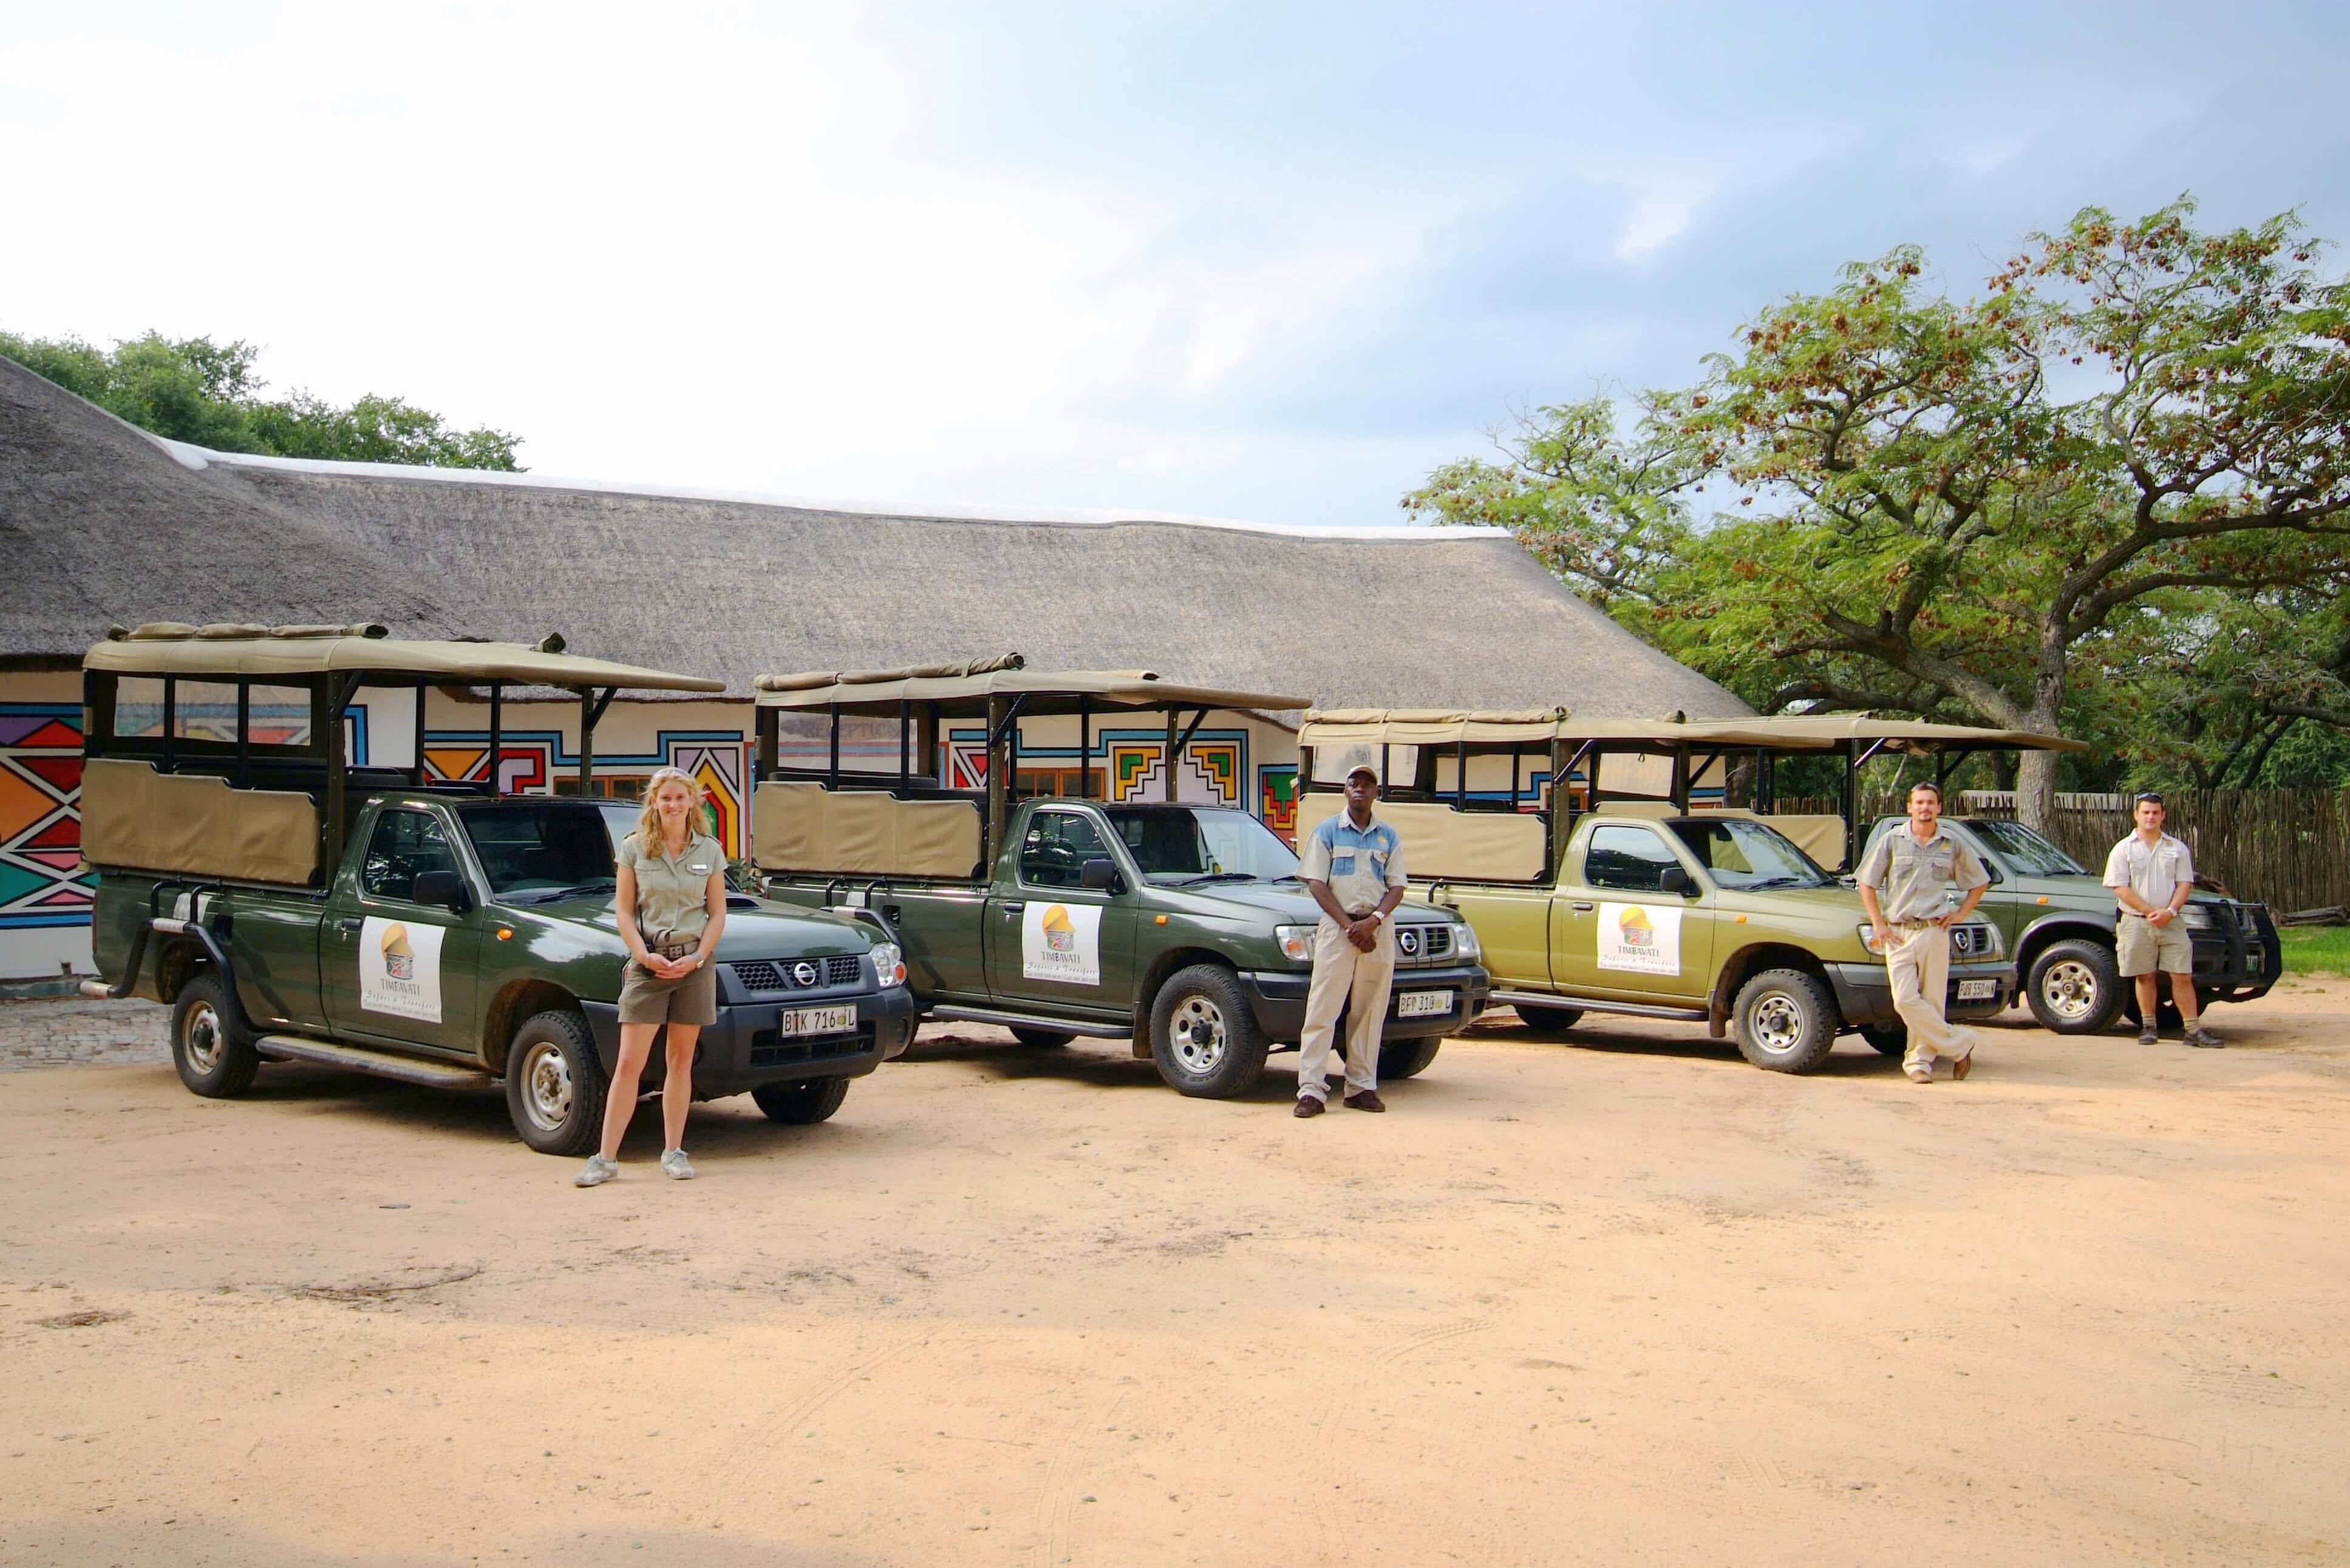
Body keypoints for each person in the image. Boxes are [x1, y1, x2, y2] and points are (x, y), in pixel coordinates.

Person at [576, 767, 729, 1185]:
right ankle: (605, 1158)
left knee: (680, 1060)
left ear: (693, 802)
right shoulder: (634, 849)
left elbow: (717, 914)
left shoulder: (710, 851)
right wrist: (643, 954)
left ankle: (674, 1152)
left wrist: (698, 957)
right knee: (629, 1063)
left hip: (693, 966)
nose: (674, 805)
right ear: (655, 803)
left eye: (681, 798)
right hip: (649, 965)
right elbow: (623, 911)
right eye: (666, 799)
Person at [1856, 780, 1992, 1085]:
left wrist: (1960, 914)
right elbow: (1866, 882)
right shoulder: (1893, 841)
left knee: (1932, 1002)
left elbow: (1979, 881)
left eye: (1930, 803)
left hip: (1934, 931)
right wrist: (1877, 922)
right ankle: (1959, 1044)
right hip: (1899, 932)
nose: (1925, 808)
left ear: (1939, 807)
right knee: (1904, 1000)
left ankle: (1919, 1064)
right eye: (1919, 803)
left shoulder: (1951, 843)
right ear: (1909, 807)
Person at [1293, 763, 1408, 1116]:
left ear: (1377, 793)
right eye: (1354, 783)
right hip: (1338, 929)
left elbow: (1397, 886)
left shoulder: (1388, 837)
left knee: (1369, 1011)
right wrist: (1350, 927)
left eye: (1367, 784)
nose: (1360, 788)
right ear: (1345, 791)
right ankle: (1311, 1091)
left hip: (1376, 932)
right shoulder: (1327, 831)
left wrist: (1373, 922)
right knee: (1323, 1009)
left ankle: (1360, 1087)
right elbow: (1316, 883)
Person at [2104, 791, 2219, 1048]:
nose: (2151, 817)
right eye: (2146, 812)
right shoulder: (2124, 848)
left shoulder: (2176, 848)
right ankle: (2148, 1027)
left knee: (2182, 975)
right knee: (2145, 975)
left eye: (2156, 813)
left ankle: (2192, 1030)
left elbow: (2184, 883)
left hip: (2171, 920)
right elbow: (2119, 886)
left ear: (2163, 815)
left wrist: (2170, 911)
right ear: (2136, 815)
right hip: (2136, 920)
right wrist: (2147, 911)